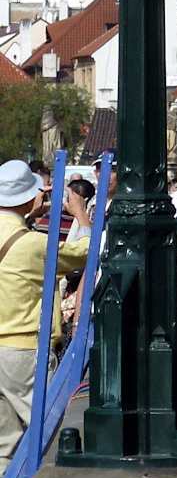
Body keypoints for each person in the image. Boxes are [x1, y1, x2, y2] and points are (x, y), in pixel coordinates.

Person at [0, 160, 91, 462]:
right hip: (24, 351)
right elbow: (86, 252)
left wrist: (27, 212)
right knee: (51, 433)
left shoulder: (25, 237)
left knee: (4, 446)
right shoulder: (33, 244)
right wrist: (80, 213)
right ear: (30, 198)